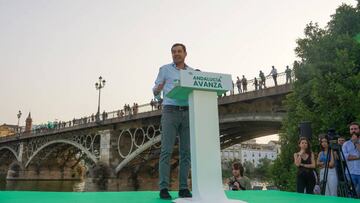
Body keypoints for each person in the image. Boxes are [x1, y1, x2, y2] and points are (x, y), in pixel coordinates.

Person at [153, 43, 193, 199]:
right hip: (170, 111)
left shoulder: (191, 73)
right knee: (166, 151)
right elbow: (156, 90)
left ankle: (183, 188)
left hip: (188, 111)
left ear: (185, 54)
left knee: (186, 152)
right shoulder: (165, 69)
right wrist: (157, 92)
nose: (176, 54)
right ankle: (163, 188)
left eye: (179, 51)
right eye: (173, 52)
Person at [342, 122, 360, 196]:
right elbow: (344, 157)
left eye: (355, 129)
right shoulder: (345, 144)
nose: (353, 131)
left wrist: (356, 142)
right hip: (350, 173)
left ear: (359, 130)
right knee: (351, 195)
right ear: (349, 131)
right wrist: (358, 157)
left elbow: (348, 157)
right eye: (351, 129)